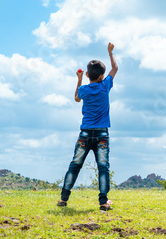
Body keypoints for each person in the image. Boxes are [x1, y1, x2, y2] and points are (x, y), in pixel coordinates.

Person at [57, 43, 118, 211]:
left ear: (88, 75)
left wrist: (79, 80)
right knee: (103, 168)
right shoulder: (105, 86)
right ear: (101, 77)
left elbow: (77, 98)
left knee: (75, 165)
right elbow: (115, 68)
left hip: (84, 133)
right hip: (102, 134)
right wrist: (110, 52)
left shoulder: (84, 89)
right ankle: (103, 202)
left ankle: (63, 199)